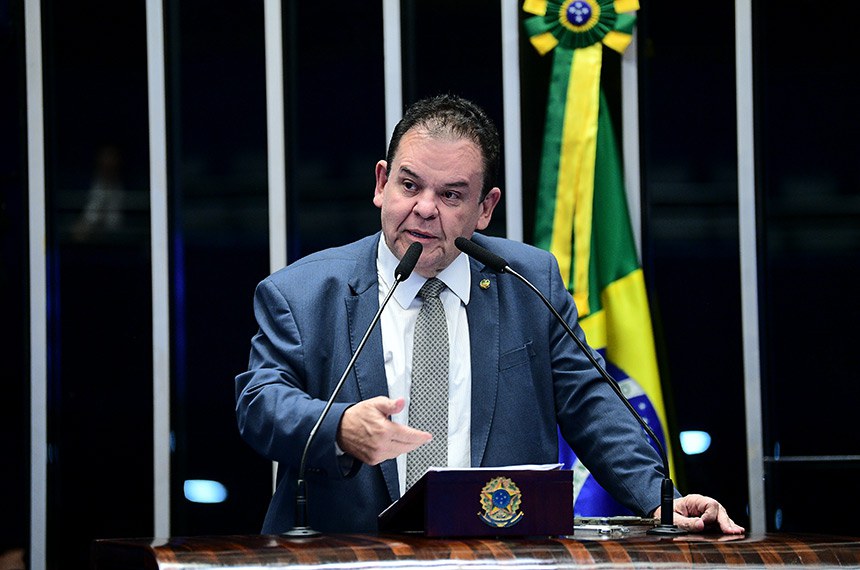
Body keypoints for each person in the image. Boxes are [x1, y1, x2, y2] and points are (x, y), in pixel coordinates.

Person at [235, 94, 744, 536]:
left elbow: (592, 404)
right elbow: (260, 403)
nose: (425, 208)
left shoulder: (529, 281)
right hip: (348, 556)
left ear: (485, 208)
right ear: (381, 183)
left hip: (496, 552)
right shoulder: (301, 291)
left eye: (451, 194)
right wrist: (339, 427)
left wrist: (659, 499)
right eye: (410, 186)